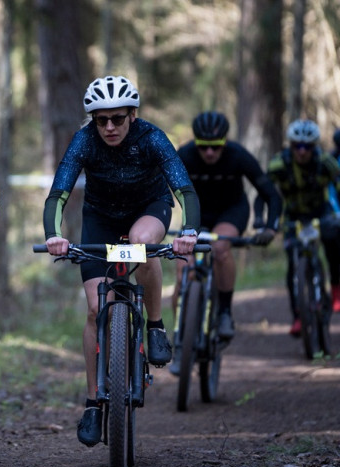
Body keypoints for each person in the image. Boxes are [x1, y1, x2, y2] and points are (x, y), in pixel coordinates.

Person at [42, 75, 200, 448]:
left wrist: (189, 231)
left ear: (133, 114)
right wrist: (54, 235)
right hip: (100, 218)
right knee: (97, 309)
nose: (109, 127)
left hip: (149, 208)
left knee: (144, 243)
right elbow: (58, 195)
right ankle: (94, 402)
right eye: (101, 120)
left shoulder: (151, 138)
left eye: (117, 118)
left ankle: (156, 325)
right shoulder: (84, 141)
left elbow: (183, 189)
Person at [170, 111, 282, 373]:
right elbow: (155, 187)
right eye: (204, 147)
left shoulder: (237, 155)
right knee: (182, 270)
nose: (210, 153)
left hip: (231, 211)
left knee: (220, 248)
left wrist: (270, 226)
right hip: (196, 214)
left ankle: (224, 313)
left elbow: (270, 194)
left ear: (225, 142)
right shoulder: (184, 155)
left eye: (216, 146)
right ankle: (180, 339)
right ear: (196, 143)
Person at [261, 119, 340, 336]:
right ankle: (298, 315)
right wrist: (267, 220)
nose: (302, 151)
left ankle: (336, 285)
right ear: (290, 146)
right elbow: (266, 191)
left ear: (315, 146)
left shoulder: (326, 162)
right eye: (297, 146)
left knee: (331, 239)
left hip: (321, 211)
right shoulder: (279, 164)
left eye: (307, 146)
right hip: (293, 214)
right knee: (293, 263)